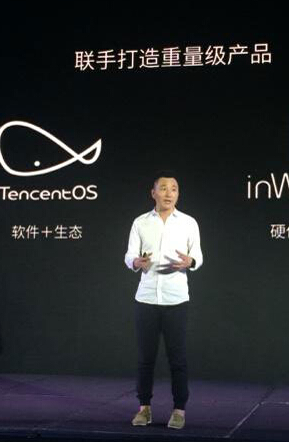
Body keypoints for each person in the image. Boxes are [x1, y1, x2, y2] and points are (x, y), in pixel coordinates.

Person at [124, 171, 203, 430]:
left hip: (176, 299)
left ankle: (179, 410)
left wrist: (190, 261)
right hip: (146, 298)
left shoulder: (188, 223)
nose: (169, 193)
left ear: (178, 194)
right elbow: (129, 255)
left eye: (174, 189)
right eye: (164, 188)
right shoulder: (140, 222)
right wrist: (136, 261)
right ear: (153, 193)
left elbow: (198, 256)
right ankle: (144, 408)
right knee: (145, 358)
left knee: (177, 359)